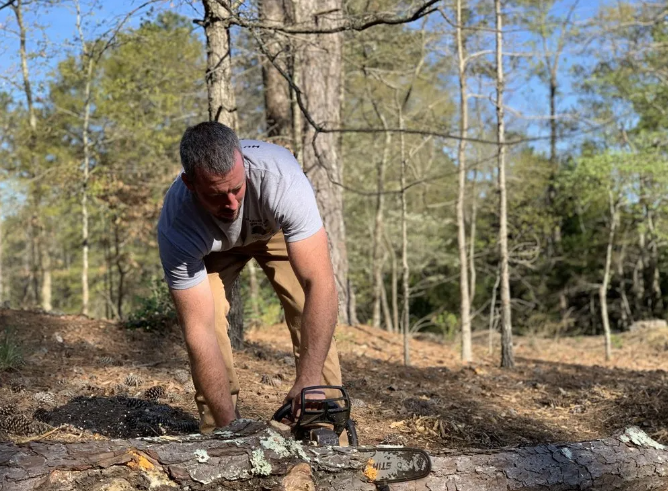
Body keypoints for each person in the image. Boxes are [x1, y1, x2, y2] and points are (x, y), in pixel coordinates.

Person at [157, 121, 342, 433]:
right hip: (212, 247)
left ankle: (319, 417)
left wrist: (308, 379)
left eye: (236, 189)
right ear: (190, 184)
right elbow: (198, 330)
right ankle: (221, 427)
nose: (230, 204)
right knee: (209, 318)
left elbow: (320, 286)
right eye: (216, 195)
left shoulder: (283, 180)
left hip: (275, 230)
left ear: (243, 162)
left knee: (304, 301)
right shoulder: (178, 224)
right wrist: (233, 434)